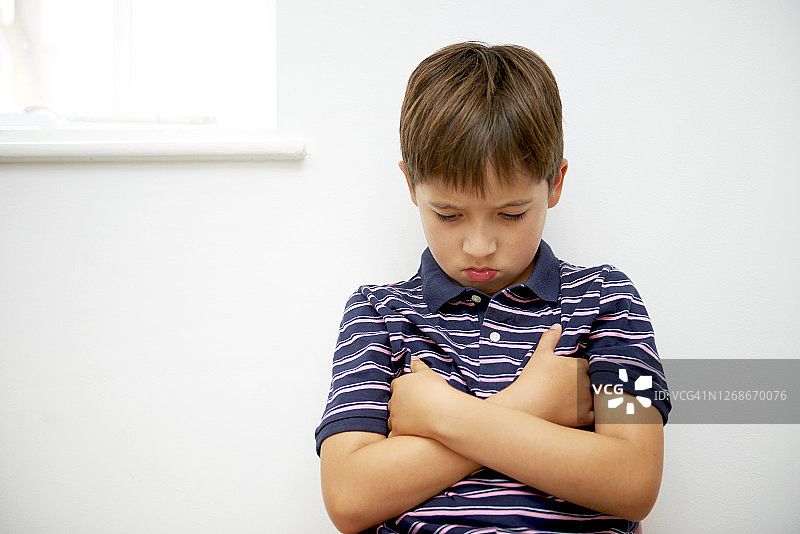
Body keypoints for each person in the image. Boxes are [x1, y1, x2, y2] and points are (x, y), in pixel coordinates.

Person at [315, 42, 671, 534]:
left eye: (510, 214)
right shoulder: (376, 313)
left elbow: (634, 481)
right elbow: (349, 497)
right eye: (448, 215)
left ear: (555, 183)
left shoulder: (611, 299)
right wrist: (533, 404)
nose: (479, 246)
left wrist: (441, 414)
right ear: (411, 186)